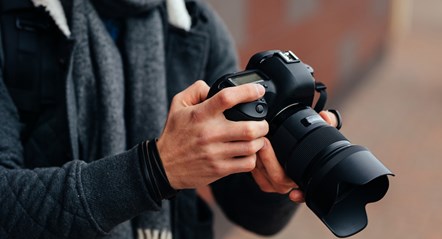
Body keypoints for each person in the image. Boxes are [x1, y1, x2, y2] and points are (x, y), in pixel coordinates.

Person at [0, 0, 339, 238]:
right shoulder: (13, 21)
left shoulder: (195, 25)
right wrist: (154, 169)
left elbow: (252, 215)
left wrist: (281, 174)